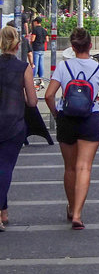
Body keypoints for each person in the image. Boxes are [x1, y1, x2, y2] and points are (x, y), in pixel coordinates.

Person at [44, 26, 99, 229]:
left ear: (72, 47)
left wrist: (56, 113)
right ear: (90, 45)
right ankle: (78, 215)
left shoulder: (64, 67)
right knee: (84, 167)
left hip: (67, 119)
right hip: (90, 118)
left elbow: (48, 95)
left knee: (70, 167)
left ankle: (71, 206)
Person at [0, 26, 39, 231]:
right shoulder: (23, 67)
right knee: (5, 168)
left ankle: (3, 212)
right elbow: (32, 102)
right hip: (13, 123)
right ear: (17, 44)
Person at [29, 16, 48, 85]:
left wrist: (30, 42)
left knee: (35, 64)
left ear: (36, 22)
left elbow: (33, 39)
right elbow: (47, 39)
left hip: (36, 48)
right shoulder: (44, 30)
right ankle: (41, 79)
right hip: (42, 48)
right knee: (41, 64)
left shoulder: (35, 30)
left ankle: (33, 78)